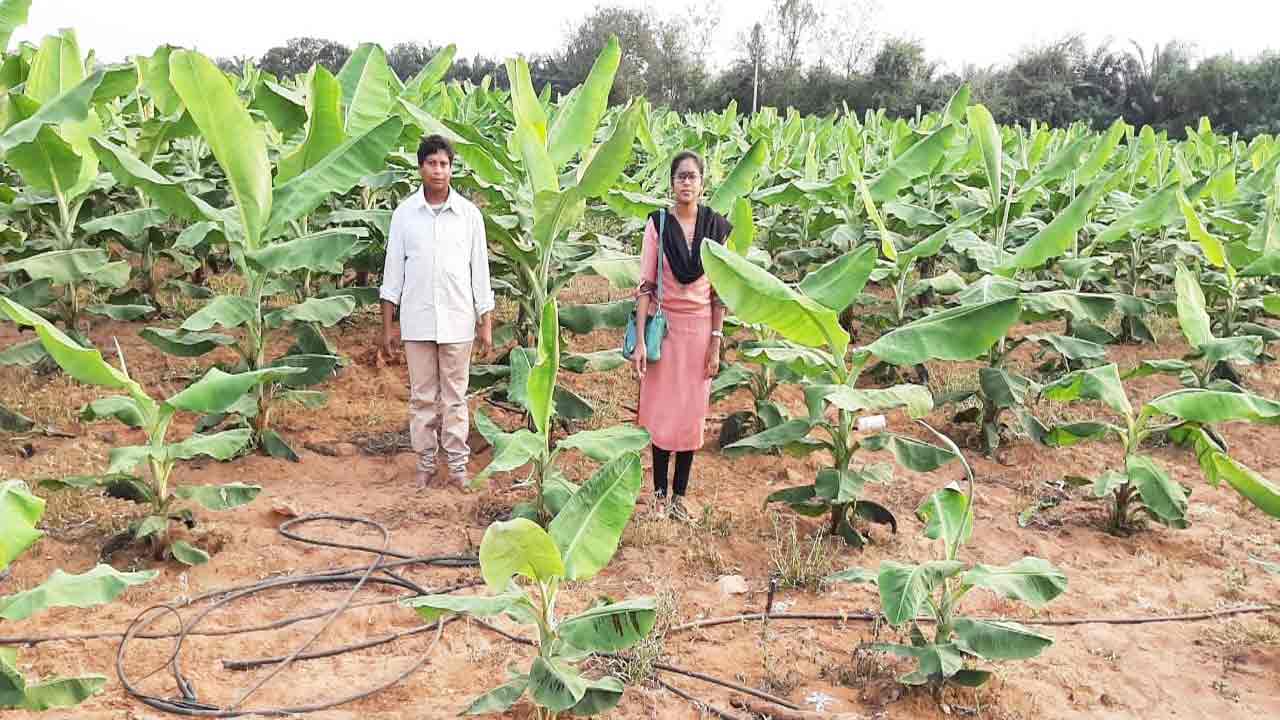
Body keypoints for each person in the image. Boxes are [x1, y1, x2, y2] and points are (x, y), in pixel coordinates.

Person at [380, 135, 494, 488]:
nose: (438, 170)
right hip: (417, 321)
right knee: (423, 397)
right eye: (431, 163)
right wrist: (387, 327)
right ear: (420, 168)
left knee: (456, 398)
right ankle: (426, 463)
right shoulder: (404, 216)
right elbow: (392, 273)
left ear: (451, 168)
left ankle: (458, 466)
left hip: (458, 321)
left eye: (444, 164)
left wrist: (485, 323)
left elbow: (480, 272)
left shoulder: (469, 216)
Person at [631, 150, 731, 521]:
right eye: (680, 176)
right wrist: (641, 341)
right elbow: (645, 287)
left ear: (703, 183)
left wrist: (716, 342)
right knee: (661, 413)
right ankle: (658, 495)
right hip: (666, 330)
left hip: (701, 331)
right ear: (671, 183)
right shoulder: (658, 224)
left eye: (693, 176)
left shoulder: (717, 229)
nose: (686, 183)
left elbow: (721, 292)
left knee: (690, 415)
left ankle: (679, 497)